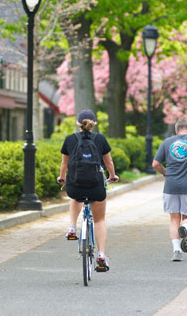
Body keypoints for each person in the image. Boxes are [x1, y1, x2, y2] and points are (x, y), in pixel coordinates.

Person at [57, 109, 119, 272]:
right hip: (96, 186)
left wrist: (62, 178)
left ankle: (72, 226)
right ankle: (101, 255)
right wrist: (113, 176)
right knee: (99, 220)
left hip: (75, 185)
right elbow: (109, 162)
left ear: (78, 124)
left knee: (75, 197)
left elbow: (64, 164)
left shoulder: (70, 139)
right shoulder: (100, 139)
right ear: (93, 124)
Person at [152, 118, 187, 262]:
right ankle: (185, 228)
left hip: (170, 187)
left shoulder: (167, 142)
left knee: (174, 219)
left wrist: (165, 173)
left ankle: (176, 250)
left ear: (176, 130)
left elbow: (155, 164)